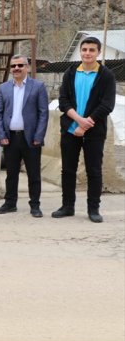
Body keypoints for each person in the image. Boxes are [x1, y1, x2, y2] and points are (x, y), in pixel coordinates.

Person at [52, 36, 116, 223]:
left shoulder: (106, 76)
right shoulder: (70, 72)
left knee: (94, 171)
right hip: (70, 129)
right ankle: (67, 206)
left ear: (98, 52)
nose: (87, 53)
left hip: (94, 131)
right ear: (80, 51)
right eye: (84, 49)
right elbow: (63, 101)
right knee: (68, 170)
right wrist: (79, 121)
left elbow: (107, 105)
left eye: (91, 50)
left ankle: (93, 209)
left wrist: (86, 124)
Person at [0, 54, 49, 218]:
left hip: (31, 138)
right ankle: (10, 203)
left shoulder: (38, 86)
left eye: (20, 65)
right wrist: (1, 134)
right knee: (11, 174)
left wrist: (39, 136)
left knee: (34, 174)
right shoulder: (3, 88)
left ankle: (35, 205)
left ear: (27, 67)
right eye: (13, 66)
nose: (16, 68)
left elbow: (43, 114)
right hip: (10, 138)